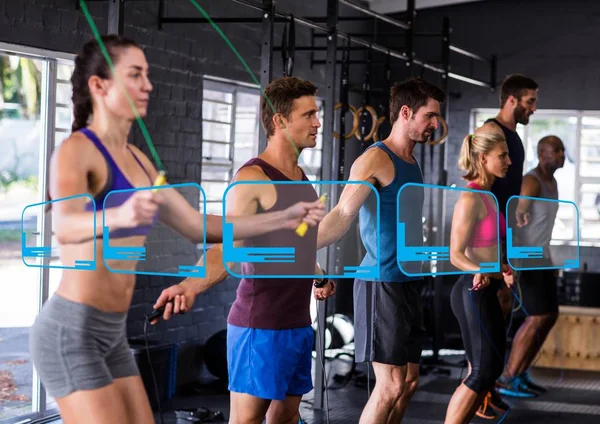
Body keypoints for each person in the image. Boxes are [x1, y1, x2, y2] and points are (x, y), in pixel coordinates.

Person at [28, 37, 325, 424]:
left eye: (147, 75)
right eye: (135, 75)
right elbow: (62, 226)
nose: (148, 85)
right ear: (99, 86)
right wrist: (118, 215)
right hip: (72, 330)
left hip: (112, 333)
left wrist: (282, 219)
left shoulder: (138, 161)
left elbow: (198, 227)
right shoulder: (76, 150)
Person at [153, 76, 336, 424]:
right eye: (309, 114)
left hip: (297, 322)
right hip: (260, 325)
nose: (318, 122)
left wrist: (317, 273)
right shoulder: (253, 178)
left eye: (317, 113)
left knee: (286, 417)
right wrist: (190, 285)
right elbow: (229, 247)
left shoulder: (300, 177)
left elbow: (296, 241)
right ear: (280, 121)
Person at [316, 77, 444, 424]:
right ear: (406, 112)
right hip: (381, 282)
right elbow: (342, 214)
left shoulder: (413, 161)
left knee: (409, 382)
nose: (435, 124)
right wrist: (301, 246)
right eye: (430, 116)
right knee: (389, 385)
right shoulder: (375, 159)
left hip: (410, 281)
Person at [475, 73, 539, 410]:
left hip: (505, 228)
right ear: (511, 100)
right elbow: (475, 179)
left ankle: (489, 383)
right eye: (530, 102)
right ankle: (478, 385)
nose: (534, 109)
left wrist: (515, 213)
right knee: (488, 305)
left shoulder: (514, 136)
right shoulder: (491, 130)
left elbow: (508, 186)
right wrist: (490, 223)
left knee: (503, 305)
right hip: (489, 232)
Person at [445, 131, 515, 423]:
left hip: (487, 289)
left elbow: (485, 249)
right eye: (503, 156)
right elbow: (456, 253)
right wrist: (479, 270)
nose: (509, 161)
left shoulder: (489, 197)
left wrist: (502, 268)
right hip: (471, 291)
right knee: (483, 371)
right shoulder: (471, 197)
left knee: (490, 369)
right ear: (483, 159)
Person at [497, 135, 565, 398]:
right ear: (542, 153)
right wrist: (514, 260)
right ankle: (508, 377)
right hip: (527, 258)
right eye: (556, 150)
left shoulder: (553, 182)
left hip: (543, 257)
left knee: (550, 315)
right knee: (536, 316)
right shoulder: (531, 181)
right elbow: (517, 217)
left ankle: (521, 371)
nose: (561, 155)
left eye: (562, 150)